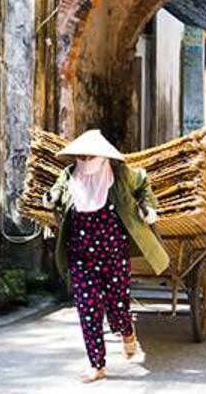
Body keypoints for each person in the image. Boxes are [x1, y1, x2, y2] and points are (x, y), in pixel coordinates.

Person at [42, 129, 169, 383]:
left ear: (102, 156)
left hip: (113, 254)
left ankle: (127, 331)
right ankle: (97, 364)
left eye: (91, 155)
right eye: (82, 155)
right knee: (88, 309)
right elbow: (55, 193)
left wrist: (148, 207)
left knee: (118, 306)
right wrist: (51, 198)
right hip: (81, 256)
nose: (86, 159)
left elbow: (143, 183)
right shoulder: (69, 175)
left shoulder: (120, 174)